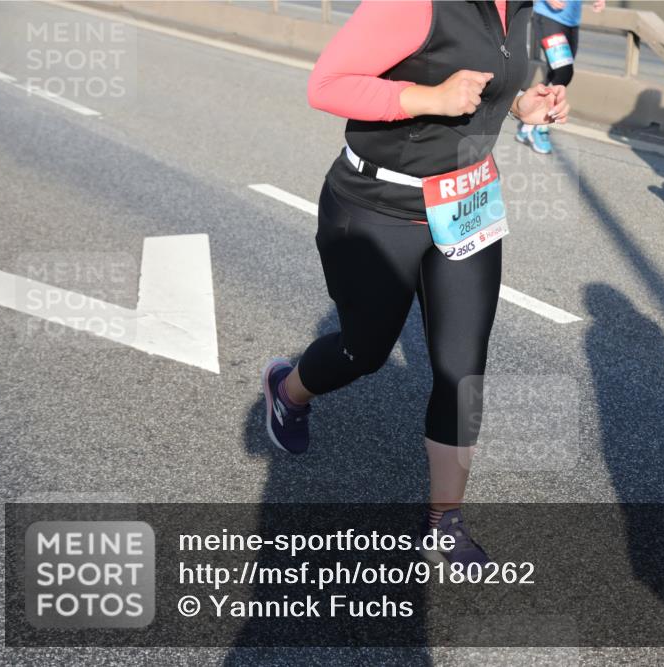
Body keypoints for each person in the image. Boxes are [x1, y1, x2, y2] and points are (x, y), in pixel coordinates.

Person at [261, 0, 570, 567]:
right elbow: (326, 84)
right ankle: (288, 391)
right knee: (364, 351)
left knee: (462, 369)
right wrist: (428, 99)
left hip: (466, 204)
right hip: (379, 207)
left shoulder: (524, 9)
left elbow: (488, 89)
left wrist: (523, 105)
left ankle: (442, 524)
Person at [516, 0, 604, 154]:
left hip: (572, 21)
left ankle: (527, 125)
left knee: (557, 73)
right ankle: (540, 127)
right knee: (564, 72)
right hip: (549, 18)